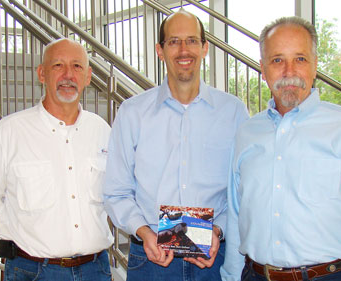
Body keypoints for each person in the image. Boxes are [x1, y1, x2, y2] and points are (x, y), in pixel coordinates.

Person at [220, 16, 341, 281]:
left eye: (300, 59)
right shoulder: (247, 133)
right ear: (262, 67)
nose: (289, 71)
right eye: (277, 60)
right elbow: (236, 220)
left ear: (315, 65)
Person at [103, 10, 249, 281]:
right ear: (160, 50)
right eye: (174, 41)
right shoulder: (133, 113)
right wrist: (144, 232)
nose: (184, 50)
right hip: (150, 261)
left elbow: (242, 191)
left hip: (214, 259)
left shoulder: (233, 112)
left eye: (192, 40)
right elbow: (116, 192)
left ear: (205, 47)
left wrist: (217, 231)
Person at [0, 38, 113, 281]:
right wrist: (25, 246)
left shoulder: (102, 131)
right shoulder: (7, 133)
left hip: (95, 270)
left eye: (77, 67)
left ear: (88, 77)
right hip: (34, 271)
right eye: (58, 65)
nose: (68, 75)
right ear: (41, 74)